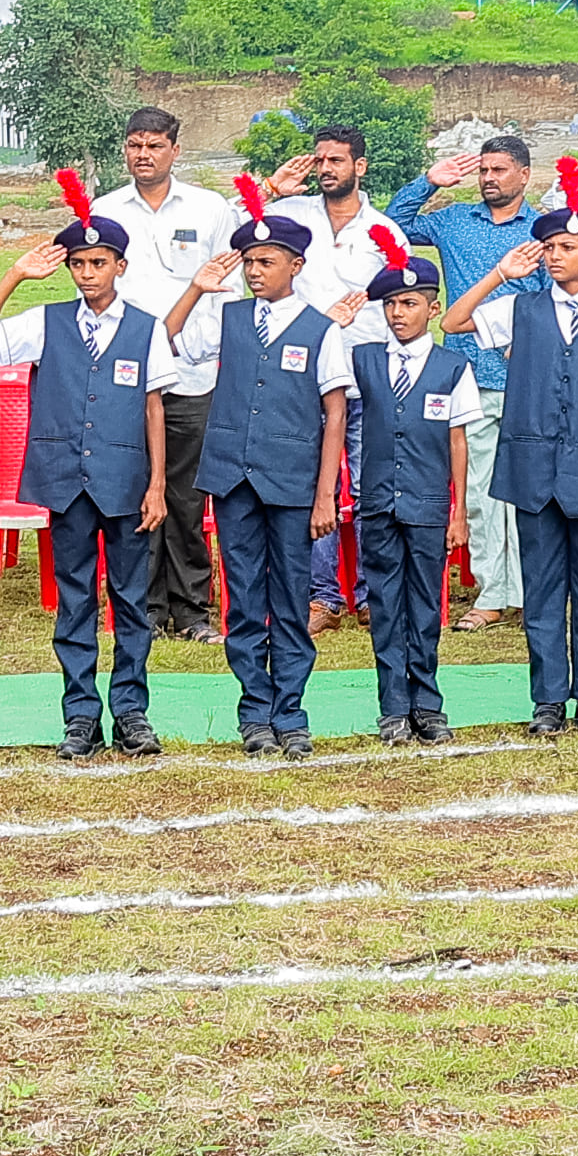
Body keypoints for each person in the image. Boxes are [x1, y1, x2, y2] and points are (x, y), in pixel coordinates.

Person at [0, 173, 172, 757]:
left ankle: (132, 712)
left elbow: (154, 407)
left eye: (99, 263)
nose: (88, 273)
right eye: (79, 264)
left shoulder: (145, 328)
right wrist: (16, 275)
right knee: (75, 598)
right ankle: (81, 714)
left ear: (120, 266)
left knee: (131, 599)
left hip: (126, 482)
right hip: (66, 481)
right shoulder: (47, 321)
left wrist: (158, 483)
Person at [163, 187, 352, 757]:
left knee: (290, 598)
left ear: (297, 265)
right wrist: (196, 288)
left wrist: (325, 495)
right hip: (233, 479)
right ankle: (255, 713)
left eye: (266, 262)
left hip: (292, 482)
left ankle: (290, 712)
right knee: (244, 599)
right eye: (248, 261)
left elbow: (335, 413)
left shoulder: (321, 329)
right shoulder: (229, 317)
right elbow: (167, 338)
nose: (254, 271)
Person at [456, 183, 578, 735]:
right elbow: (454, 322)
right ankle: (548, 700)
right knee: (541, 591)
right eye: (550, 248)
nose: (556, 256)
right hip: (534, 470)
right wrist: (500, 274)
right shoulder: (521, 308)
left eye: (568, 247)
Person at [388, 129, 544, 631]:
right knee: (480, 491)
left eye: (499, 170)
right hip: (468, 376)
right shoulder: (454, 221)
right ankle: (492, 593)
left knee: (528, 490)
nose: (488, 178)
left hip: (527, 378)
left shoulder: (541, 231)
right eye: (483, 170)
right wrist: (428, 182)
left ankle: (532, 592)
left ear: (524, 175)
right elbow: (393, 227)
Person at [99, 109, 242, 635]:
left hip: (191, 374)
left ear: (175, 151)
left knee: (185, 496)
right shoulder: (106, 210)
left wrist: (204, 351)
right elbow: (96, 294)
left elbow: (229, 290)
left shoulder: (210, 209)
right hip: (125, 379)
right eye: (135, 145)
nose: (143, 155)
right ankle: (144, 608)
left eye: (154, 145)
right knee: (134, 491)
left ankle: (191, 609)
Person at [341, 240, 482, 745]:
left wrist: (457, 511)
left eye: (409, 303)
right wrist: (334, 321)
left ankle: (427, 703)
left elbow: (458, 441)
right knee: (385, 604)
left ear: (433, 307)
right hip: (379, 503)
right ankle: (393, 706)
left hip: (427, 505)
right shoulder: (363, 360)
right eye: (391, 304)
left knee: (425, 606)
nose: (398, 313)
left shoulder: (452, 367)